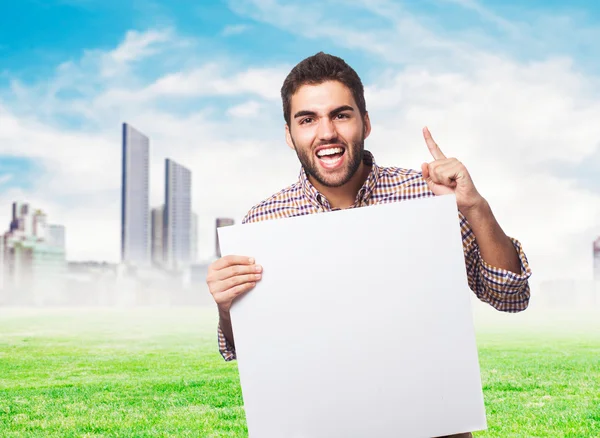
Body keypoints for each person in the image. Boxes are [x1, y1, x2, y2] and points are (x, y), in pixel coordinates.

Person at [206, 52, 532, 438]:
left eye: (341, 115)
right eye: (307, 119)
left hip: (433, 426)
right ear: (289, 134)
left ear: (366, 122)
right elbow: (250, 352)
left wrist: (475, 208)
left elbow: (510, 296)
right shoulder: (264, 222)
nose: (326, 132)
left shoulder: (427, 195)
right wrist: (228, 308)